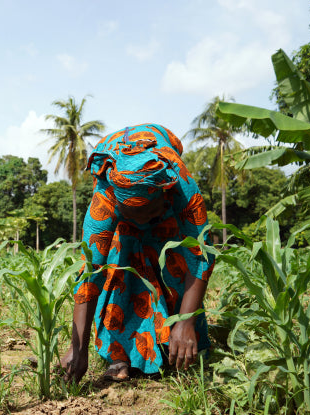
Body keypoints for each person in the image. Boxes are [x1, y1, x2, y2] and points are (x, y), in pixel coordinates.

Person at [61, 123, 215, 382]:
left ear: (164, 196)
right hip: (126, 223)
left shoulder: (180, 186)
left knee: (176, 262)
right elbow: (89, 276)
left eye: (151, 214)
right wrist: (77, 349)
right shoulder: (105, 200)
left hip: (169, 217)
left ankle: (178, 339)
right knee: (120, 264)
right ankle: (120, 354)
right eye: (137, 217)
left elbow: (201, 255)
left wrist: (186, 320)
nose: (145, 224)